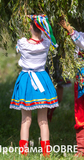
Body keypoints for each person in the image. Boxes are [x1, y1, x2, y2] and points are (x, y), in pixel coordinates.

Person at [9, 15, 59, 156]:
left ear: (30, 27)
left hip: (26, 80)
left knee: (26, 120)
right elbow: (49, 35)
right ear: (43, 29)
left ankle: (24, 153)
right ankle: (46, 153)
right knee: (43, 120)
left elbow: (18, 45)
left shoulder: (22, 43)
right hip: (42, 79)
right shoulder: (46, 43)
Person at [59, 16, 84, 157]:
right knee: (80, 112)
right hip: (81, 80)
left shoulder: (79, 37)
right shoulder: (80, 34)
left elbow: (81, 43)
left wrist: (69, 29)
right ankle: (81, 149)